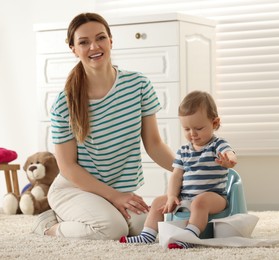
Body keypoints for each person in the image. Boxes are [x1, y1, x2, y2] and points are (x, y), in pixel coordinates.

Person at [31, 12, 175, 240]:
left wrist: (187, 170)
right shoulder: (64, 103)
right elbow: (67, 167)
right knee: (113, 229)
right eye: (84, 42)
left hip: (117, 189)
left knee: (149, 228)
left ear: (110, 40)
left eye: (100, 38)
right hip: (74, 189)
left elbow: (155, 145)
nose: (94, 46)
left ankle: (98, 213)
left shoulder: (138, 85)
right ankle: (50, 226)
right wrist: (114, 197)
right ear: (73, 49)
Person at [120, 90, 237, 249]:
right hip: (186, 197)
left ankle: (189, 236)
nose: (193, 134)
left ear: (215, 123)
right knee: (158, 202)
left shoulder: (217, 145)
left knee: (200, 202)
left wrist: (229, 161)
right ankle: (147, 235)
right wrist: (172, 196)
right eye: (187, 129)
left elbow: (230, 153)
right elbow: (176, 175)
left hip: (214, 197)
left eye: (199, 128)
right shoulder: (184, 151)